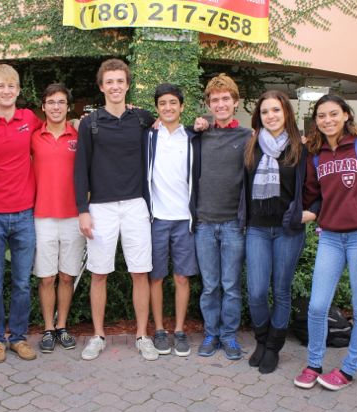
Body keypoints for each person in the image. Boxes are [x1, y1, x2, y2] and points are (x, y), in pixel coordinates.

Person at [297, 94, 357, 391]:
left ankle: (349, 369)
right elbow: (312, 194)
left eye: (334, 114)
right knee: (317, 306)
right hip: (330, 238)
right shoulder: (316, 153)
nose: (328, 120)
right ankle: (314, 363)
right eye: (321, 116)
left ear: (346, 115)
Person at [74, 59, 156, 361]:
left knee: (140, 272)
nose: (115, 86)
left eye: (120, 81)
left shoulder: (142, 119)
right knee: (98, 273)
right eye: (109, 81)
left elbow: (163, 125)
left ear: (128, 85)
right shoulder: (90, 123)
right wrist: (82, 209)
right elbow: (80, 169)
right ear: (101, 86)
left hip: (136, 205)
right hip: (100, 208)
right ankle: (97, 335)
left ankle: (142, 335)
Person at [241, 90, 309, 373]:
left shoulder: (300, 148)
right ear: (260, 116)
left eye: (276, 110)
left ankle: (273, 347)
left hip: (287, 230)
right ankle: (261, 338)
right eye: (266, 111)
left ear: (286, 114)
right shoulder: (252, 145)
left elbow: (312, 188)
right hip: (257, 227)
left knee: (281, 290)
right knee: (256, 291)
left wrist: (306, 214)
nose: (271, 116)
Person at [0, 64, 43, 363]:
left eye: (11, 86)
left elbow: (52, 132)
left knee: (21, 282)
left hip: (24, 215)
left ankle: (17, 337)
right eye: (0, 86)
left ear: (18, 90)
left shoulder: (28, 119)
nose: (6, 91)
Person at [193, 74, 251, 360]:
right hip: (204, 223)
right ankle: (211, 334)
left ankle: (228, 336)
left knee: (230, 286)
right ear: (208, 104)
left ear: (235, 102)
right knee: (210, 286)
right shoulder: (199, 134)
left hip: (233, 224)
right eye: (214, 100)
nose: (220, 104)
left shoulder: (247, 137)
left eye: (225, 98)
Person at [145, 84, 199, 357]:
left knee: (181, 277)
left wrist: (206, 122)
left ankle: (178, 330)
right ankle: (159, 330)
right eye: (163, 103)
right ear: (157, 108)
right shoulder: (149, 136)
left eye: (173, 103)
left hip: (183, 219)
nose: (168, 107)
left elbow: (214, 125)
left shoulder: (192, 136)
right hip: (156, 218)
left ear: (181, 106)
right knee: (155, 277)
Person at [32, 83, 85, 353]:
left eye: (61, 102)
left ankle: (62, 325)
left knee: (66, 276)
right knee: (46, 277)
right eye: (51, 102)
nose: (55, 107)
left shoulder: (79, 134)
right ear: (43, 106)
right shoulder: (33, 135)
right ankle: (47, 328)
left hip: (73, 216)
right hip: (42, 216)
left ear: (68, 106)